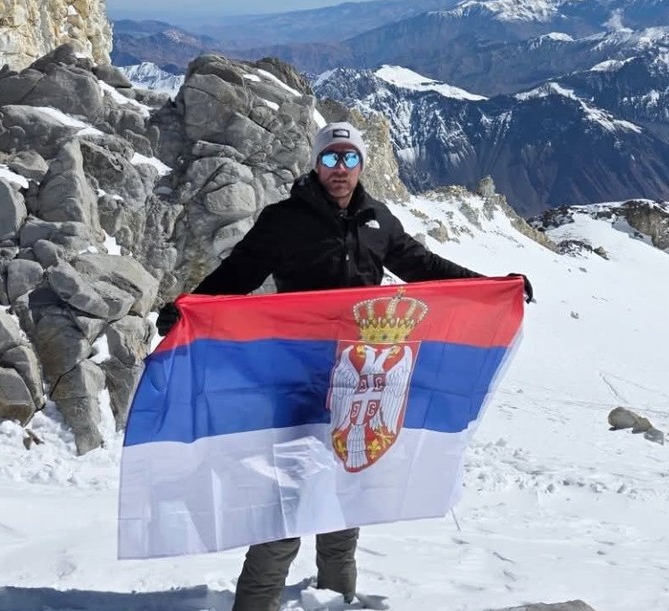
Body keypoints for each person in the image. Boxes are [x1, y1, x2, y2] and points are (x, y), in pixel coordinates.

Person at [156, 121, 533, 611]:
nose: (341, 168)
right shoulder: (283, 219)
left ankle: (335, 597)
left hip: (358, 381)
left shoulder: (378, 219)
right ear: (316, 163)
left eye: (350, 158)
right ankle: (256, 604)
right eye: (331, 157)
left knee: (347, 486)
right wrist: (189, 307)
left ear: (361, 164)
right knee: (288, 498)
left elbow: (423, 267)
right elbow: (237, 274)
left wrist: (491, 286)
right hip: (296, 382)